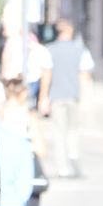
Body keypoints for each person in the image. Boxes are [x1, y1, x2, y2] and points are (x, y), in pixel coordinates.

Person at [39, 19, 94, 178]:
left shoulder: (49, 50)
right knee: (73, 130)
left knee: (59, 131)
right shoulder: (81, 50)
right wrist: (85, 99)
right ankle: (74, 157)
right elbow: (85, 76)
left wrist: (44, 97)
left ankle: (63, 166)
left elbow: (46, 76)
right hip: (74, 96)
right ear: (70, 32)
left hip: (57, 96)